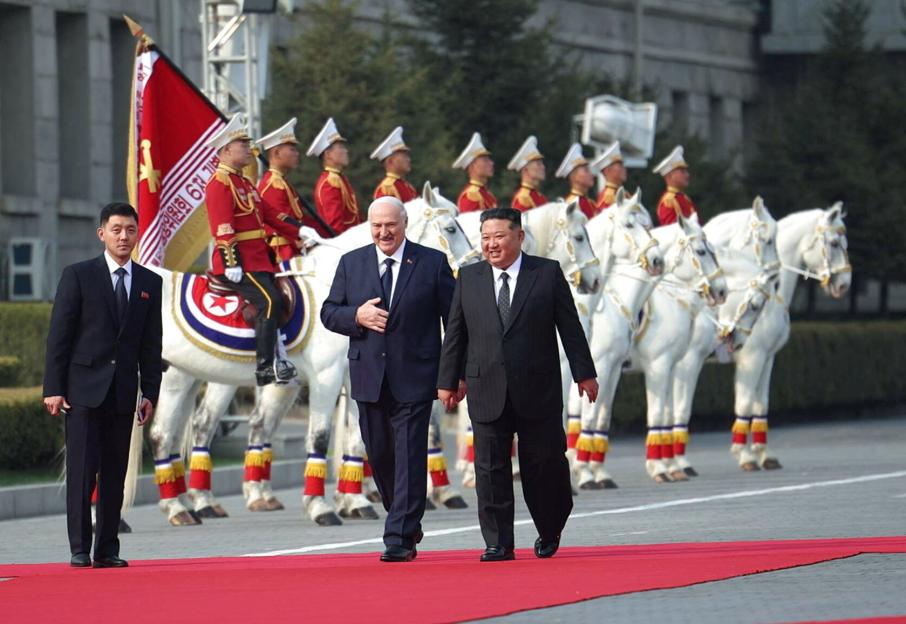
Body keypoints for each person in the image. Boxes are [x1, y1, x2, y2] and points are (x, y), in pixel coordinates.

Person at [437, 207, 598, 562]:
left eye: (499, 236)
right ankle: (498, 542)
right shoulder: (469, 277)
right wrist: (449, 380)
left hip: (538, 388)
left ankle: (550, 527)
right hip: (486, 387)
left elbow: (570, 327)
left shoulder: (546, 273)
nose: (491, 244)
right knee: (489, 468)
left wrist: (584, 373)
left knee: (545, 464)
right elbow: (456, 334)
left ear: (519, 236)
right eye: (485, 238)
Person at [321, 196, 455, 562]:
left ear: (405, 223)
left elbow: (454, 322)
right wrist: (356, 316)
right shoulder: (352, 263)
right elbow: (329, 312)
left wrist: (453, 373)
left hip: (416, 376)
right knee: (379, 454)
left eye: (391, 225)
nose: (384, 232)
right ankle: (405, 517)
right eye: (377, 226)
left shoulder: (432, 262)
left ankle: (398, 537)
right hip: (368, 377)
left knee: (410, 454)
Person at [43, 202, 162, 569]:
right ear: (102, 234)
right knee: (82, 472)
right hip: (82, 391)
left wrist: (150, 392)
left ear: (137, 234)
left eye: (130, 230)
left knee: (114, 474)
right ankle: (80, 548)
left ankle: (107, 549)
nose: (123, 236)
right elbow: (59, 336)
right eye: (116, 229)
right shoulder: (78, 275)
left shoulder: (149, 282)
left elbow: (151, 344)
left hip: (123, 392)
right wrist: (53, 387)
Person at [205, 113, 304, 386]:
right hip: (239, 263)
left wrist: (300, 231)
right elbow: (223, 226)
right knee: (269, 301)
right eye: (243, 145)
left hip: (258, 259)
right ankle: (265, 367)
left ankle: (282, 356)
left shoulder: (244, 182)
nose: (250, 149)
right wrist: (231, 262)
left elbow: (271, 214)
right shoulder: (220, 183)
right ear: (227, 150)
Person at [257, 117, 331, 244]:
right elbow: (282, 224)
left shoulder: (282, 182)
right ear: (277, 153)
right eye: (292, 149)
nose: (297, 154)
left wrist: (326, 235)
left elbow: (300, 219)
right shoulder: (273, 185)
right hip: (284, 248)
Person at [308, 117, 361, 235]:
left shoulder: (339, 178)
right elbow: (335, 225)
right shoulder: (330, 182)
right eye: (341, 147)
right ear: (328, 155)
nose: (346, 151)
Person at [453, 132, 498, 213]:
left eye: (489, 159)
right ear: (472, 166)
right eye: (485, 160)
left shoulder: (488, 195)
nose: (491, 163)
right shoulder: (470, 196)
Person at [371, 126, 418, 203]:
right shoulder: (386, 189)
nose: (408, 160)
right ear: (390, 161)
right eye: (404, 156)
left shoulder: (409, 187)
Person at [653, 145, 697, 225]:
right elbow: (672, 230)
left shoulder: (685, 198)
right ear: (669, 176)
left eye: (686, 171)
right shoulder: (668, 202)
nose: (687, 175)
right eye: (682, 171)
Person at [556, 142, 600, 219]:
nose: (591, 174)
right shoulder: (570, 205)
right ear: (574, 177)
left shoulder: (591, 204)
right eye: (586, 170)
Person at [507, 135, 547, 212]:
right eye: (538, 164)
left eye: (542, 163)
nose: (543, 167)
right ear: (525, 170)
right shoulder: (523, 198)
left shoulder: (540, 197)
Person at [593, 141, 626, 210]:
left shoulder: (623, 193)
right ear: (607, 170)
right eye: (620, 165)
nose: (624, 168)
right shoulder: (608, 198)